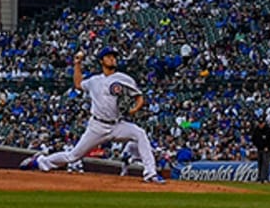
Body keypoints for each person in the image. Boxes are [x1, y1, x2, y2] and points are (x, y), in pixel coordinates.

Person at [21, 45, 165, 183]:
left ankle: (151, 173)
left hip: (117, 125)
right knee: (73, 156)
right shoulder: (94, 81)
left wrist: (134, 109)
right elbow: (78, 84)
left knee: (140, 134)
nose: (112, 59)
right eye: (108, 57)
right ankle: (41, 162)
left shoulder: (124, 79)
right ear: (101, 61)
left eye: (114, 57)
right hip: (97, 126)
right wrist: (77, 64)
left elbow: (139, 97)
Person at [250, 117, 270, 182]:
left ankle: (264, 178)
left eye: (261, 123)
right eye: (259, 123)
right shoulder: (257, 130)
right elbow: (253, 139)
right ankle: (259, 177)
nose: (260, 125)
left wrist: (268, 147)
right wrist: (257, 146)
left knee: (265, 163)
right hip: (259, 149)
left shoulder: (268, 130)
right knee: (260, 163)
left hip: (267, 150)